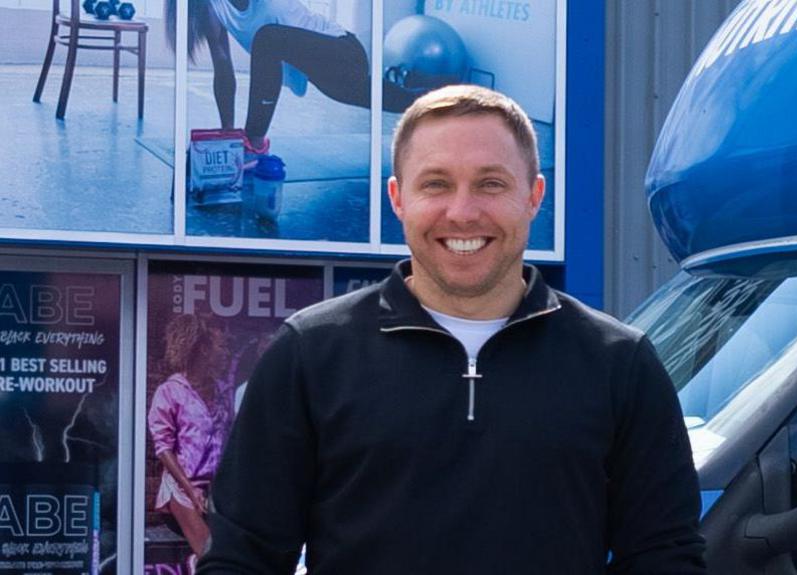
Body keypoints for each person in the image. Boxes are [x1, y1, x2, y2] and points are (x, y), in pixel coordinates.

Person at [198, 85, 705, 573]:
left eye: (491, 183)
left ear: (534, 196)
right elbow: (242, 559)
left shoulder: (618, 363)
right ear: (398, 198)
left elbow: (664, 557)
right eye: (436, 184)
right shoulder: (310, 355)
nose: (462, 213)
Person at [166, 0, 417, 155]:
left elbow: (271, 43)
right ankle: (436, 100)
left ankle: (255, 142)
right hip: (319, 71)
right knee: (380, 98)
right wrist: (227, 134)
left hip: (344, 51)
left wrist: (245, 139)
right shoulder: (214, 6)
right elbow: (223, 68)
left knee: (266, 38)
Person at [148, 314, 233, 570]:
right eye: (221, 347)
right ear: (204, 349)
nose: (226, 353)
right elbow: (163, 448)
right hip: (182, 488)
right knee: (211, 553)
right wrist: (189, 489)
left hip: (216, 490)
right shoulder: (170, 391)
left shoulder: (221, 390)